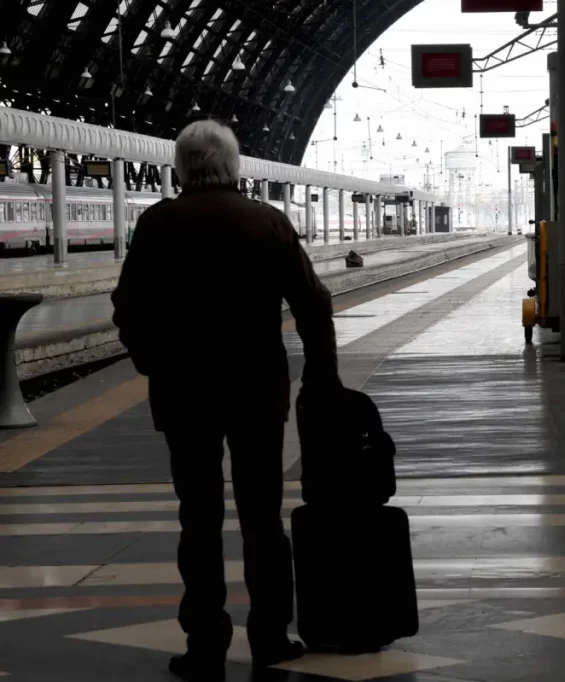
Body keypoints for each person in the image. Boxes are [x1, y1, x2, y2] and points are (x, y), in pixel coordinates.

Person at [112, 120, 338, 682]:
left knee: (200, 518)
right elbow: (315, 305)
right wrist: (320, 377)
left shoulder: (158, 224)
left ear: (181, 169)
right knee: (262, 517)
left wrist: (151, 361)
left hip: (183, 393)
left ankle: (205, 642)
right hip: (256, 392)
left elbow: (128, 307)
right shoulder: (267, 222)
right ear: (235, 167)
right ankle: (269, 636)